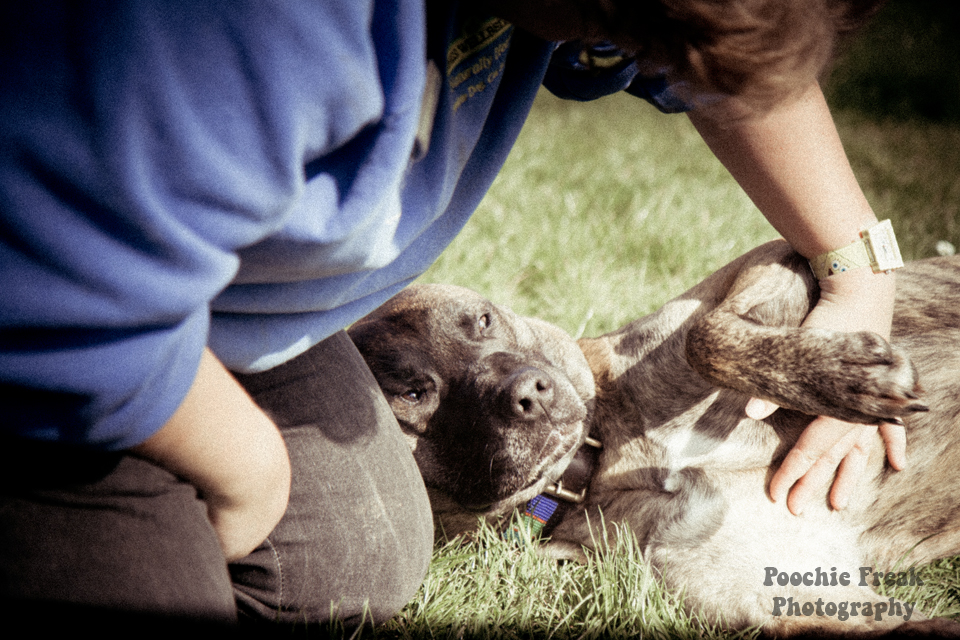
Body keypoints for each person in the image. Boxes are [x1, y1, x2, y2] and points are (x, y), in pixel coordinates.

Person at [0, 0, 900, 631]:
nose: (640, 58)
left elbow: (725, 70)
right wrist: (246, 472)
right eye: (630, 22)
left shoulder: (604, 14)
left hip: (227, 314)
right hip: (51, 335)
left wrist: (860, 270)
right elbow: (48, 290)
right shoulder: (264, 24)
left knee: (360, 561)